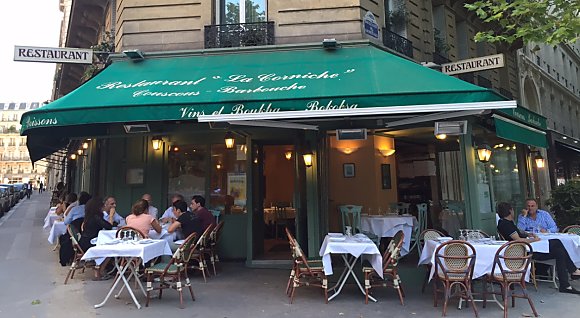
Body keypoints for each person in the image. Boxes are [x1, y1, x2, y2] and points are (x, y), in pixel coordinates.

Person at [496, 201, 580, 294]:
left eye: (532, 206)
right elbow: (519, 240)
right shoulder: (506, 224)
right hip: (524, 252)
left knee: (559, 250)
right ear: (510, 211)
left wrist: (528, 234)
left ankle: (567, 283)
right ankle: (570, 276)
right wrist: (534, 240)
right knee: (557, 245)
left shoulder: (507, 223)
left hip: (526, 248)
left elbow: (519, 233)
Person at [78, 197, 113, 280]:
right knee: (110, 250)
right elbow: (108, 226)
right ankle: (100, 270)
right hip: (89, 243)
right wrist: (111, 215)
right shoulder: (96, 217)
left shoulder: (89, 216)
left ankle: (100, 268)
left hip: (84, 241)